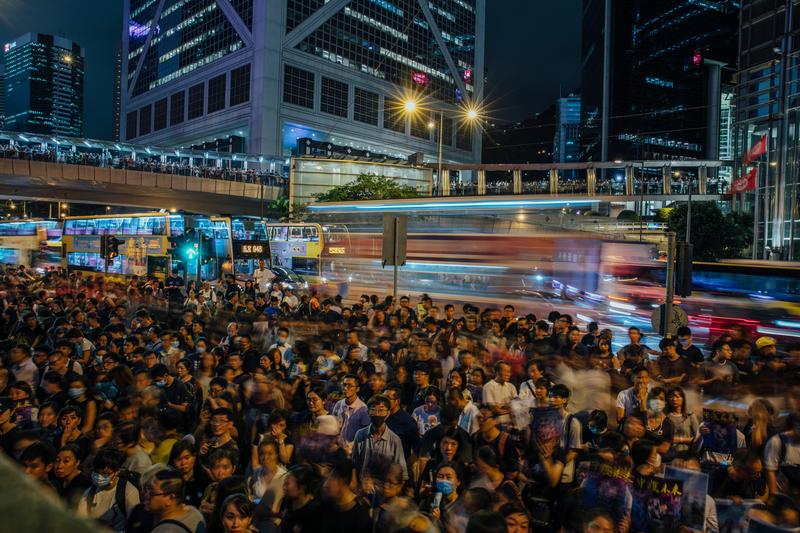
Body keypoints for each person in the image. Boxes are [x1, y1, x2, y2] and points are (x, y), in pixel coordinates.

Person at [77, 447, 141, 532]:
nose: (99, 477)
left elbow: (135, 524)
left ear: (117, 472)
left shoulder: (128, 492)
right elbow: (80, 520)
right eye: (97, 472)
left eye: (105, 474)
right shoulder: (90, 492)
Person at [352, 394, 408, 482]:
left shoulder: (394, 440)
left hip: (384, 487)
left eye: (381, 410)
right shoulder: (360, 434)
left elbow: (402, 472)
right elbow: (354, 463)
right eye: (373, 410)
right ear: (368, 412)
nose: (377, 414)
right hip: (363, 486)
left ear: (388, 413)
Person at [145, 468, 205, 533]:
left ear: (170, 498)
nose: (146, 496)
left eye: (152, 493)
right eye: (147, 490)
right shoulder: (194, 512)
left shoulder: (166, 531)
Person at [321, 460, 371, 533]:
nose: (325, 484)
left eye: (330, 478)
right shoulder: (328, 505)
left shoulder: (360, 513)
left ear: (341, 481)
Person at [279, 464, 322, 533]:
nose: (284, 487)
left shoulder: (314, 512)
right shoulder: (286, 501)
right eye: (284, 483)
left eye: (287, 484)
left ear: (302, 487)